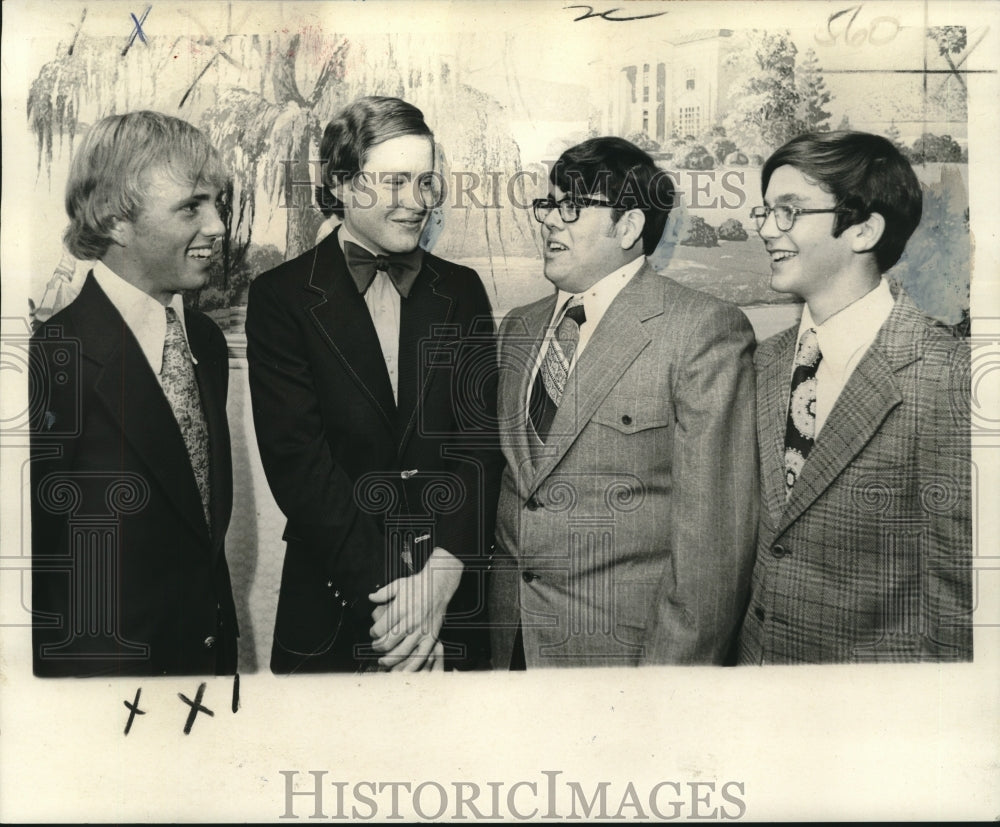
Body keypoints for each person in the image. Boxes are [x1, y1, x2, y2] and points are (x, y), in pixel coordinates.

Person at [246, 96, 501, 673]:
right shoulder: (281, 299)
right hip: (337, 599)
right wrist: (404, 611)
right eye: (395, 183)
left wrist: (440, 579)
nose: (417, 204)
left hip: (452, 601)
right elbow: (299, 467)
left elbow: (481, 445)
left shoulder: (462, 291)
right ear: (340, 184)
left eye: (426, 183)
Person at [489, 136, 758, 668]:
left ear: (629, 226)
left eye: (573, 206)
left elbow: (714, 548)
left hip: (623, 661)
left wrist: (664, 688)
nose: (549, 221)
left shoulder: (701, 330)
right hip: (510, 643)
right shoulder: (519, 327)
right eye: (549, 204)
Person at [737, 130, 972, 664]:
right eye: (766, 211)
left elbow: (960, 603)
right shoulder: (763, 361)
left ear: (864, 229)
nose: (768, 230)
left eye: (790, 212)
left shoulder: (948, 375)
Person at [30, 111, 239, 677]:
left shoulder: (205, 342)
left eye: (217, 203)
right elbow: (36, 573)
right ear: (117, 219)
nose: (218, 225)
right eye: (192, 206)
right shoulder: (51, 359)